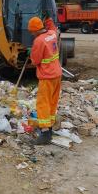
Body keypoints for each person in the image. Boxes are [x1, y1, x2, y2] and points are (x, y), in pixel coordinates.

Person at [27, 16, 62, 145]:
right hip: (57, 74)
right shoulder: (51, 34)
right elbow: (53, 28)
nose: (31, 34)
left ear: (35, 30)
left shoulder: (39, 41)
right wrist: (49, 20)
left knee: (43, 103)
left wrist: (31, 53)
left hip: (47, 76)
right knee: (52, 101)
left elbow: (35, 61)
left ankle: (45, 132)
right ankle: (50, 126)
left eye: (31, 31)